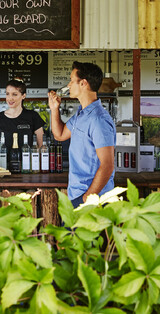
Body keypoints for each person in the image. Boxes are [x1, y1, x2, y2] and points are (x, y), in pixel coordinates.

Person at [48, 62, 116, 208]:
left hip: (93, 199)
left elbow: (108, 165)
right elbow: (59, 135)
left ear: (83, 83)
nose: (69, 85)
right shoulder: (81, 114)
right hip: (79, 195)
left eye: (72, 80)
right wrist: (54, 109)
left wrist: (88, 197)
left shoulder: (98, 120)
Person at [0, 78, 45, 168]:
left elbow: (41, 146)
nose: (10, 98)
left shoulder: (33, 116)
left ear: (23, 96)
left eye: (14, 94)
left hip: (29, 168)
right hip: (5, 168)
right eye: (7, 94)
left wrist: (37, 165)